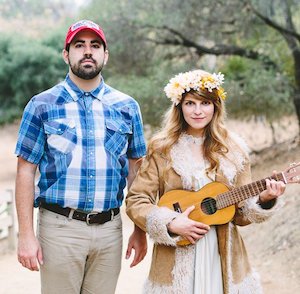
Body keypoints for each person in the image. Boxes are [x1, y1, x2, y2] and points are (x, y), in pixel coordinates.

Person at [15, 19, 147, 294]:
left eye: (95, 45)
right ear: (67, 54)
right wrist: (26, 235)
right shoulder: (42, 105)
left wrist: (140, 228)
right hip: (60, 229)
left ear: (105, 55)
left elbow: (137, 172)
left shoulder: (127, 107)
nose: (88, 51)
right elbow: (25, 171)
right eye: (79, 45)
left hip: (110, 230)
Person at [126, 69, 286, 293]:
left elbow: (241, 214)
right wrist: (170, 222)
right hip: (175, 257)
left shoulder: (234, 150)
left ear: (216, 106)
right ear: (179, 106)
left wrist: (265, 199)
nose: (198, 111)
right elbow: (137, 199)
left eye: (205, 103)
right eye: (190, 103)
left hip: (222, 255)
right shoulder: (162, 149)